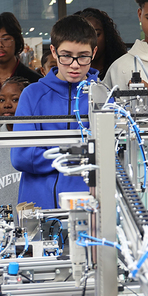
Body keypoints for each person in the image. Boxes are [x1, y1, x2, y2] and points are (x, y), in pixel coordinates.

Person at [11, 15, 100, 209]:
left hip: (89, 206)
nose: (75, 64)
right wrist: (78, 156)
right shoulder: (32, 95)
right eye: (66, 55)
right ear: (53, 51)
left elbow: (109, 156)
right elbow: (21, 156)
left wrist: (52, 154)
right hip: (39, 206)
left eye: (83, 56)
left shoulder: (104, 97)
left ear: (94, 52)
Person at [0, 76, 30, 211]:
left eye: (15, 99)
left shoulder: (39, 142)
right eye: (1, 100)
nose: (7, 105)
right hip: (2, 229)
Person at [75, 7, 127, 79]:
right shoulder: (72, 71)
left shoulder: (121, 69)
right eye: (83, 36)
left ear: (107, 35)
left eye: (96, 34)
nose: (90, 41)